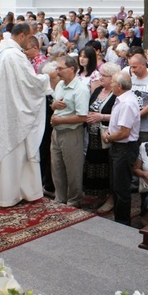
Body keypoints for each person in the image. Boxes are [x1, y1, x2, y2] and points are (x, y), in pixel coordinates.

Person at [0, 24, 51, 206]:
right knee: (13, 153)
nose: (30, 41)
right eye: (29, 37)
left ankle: (1, 191)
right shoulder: (14, 55)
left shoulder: (0, 54)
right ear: (22, 35)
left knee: (6, 153)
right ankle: (10, 194)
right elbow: (29, 83)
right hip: (12, 115)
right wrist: (46, 78)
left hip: (2, 109)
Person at [50, 55, 90, 207]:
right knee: (57, 167)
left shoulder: (80, 89)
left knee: (73, 169)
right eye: (57, 68)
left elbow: (82, 116)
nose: (57, 71)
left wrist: (60, 120)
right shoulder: (60, 85)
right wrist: (53, 107)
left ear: (71, 69)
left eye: (60, 68)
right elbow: (56, 105)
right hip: (57, 132)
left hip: (71, 133)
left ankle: (74, 201)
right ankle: (60, 199)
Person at [101, 71, 140, 225]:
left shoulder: (127, 103)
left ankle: (123, 222)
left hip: (124, 148)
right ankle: (118, 218)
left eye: (112, 83)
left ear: (119, 86)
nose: (110, 85)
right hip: (118, 147)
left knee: (122, 188)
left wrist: (108, 137)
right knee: (116, 185)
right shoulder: (121, 100)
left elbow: (124, 132)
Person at [84, 62, 120, 212]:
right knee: (94, 166)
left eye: (104, 76)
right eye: (101, 75)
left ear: (113, 78)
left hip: (106, 137)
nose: (100, 78)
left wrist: (101, 117)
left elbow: (119, 115)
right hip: (92, 136)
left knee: (106, 169)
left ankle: (109, 197)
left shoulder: (117, 94)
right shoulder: (98, 89)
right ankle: (98, 196)